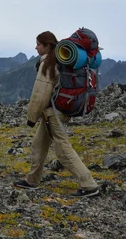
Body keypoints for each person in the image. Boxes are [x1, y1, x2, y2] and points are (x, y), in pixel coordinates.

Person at [13, 31, 99, 197]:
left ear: (47, 46)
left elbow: (40, 93)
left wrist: (31, 118)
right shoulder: (59, 60)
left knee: (63, 149)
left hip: (54, 113)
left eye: (38, 44)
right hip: (54, 111)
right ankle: (32, 180)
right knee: (39, 144)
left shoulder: (49, 63)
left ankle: (89, 185)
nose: (36, 47)